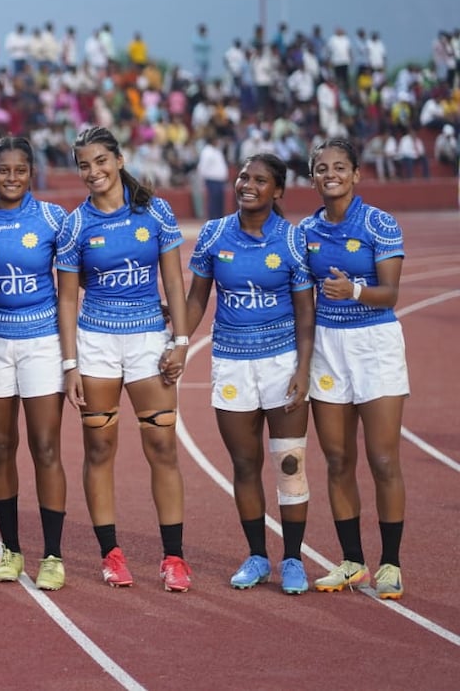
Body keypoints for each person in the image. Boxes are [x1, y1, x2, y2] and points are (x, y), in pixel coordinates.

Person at [56, 126, 193, 592]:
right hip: (96, 344)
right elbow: (67, 299)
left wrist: (181, 340)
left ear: (118, 160)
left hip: (148, 341)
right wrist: (70, 364)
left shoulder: (156, 212)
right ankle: (111, 555)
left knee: (163, 448)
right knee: (99, 449)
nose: (93, 171)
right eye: (84, 165)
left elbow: (173, 282)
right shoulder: (75, 225)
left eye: (100, 161)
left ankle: (173, 557)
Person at [185, 153, 315, 595]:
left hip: (282, 364)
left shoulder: (293, 240)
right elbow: (197, 300)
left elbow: (305, 313)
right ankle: (258, 556)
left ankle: (293, 558)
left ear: (277, 191)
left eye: (260, 180)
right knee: (245, 465)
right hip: (232, 363)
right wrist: (178, 340)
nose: (247, 185)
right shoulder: (213, 233)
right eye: (243, 176)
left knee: (290, 464)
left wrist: (303, 369)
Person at [0, 136, 68, 590]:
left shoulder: (52, 218)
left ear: (31, 173)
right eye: (3, 170)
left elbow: (79, 277)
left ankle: (53, 556)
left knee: (46, 447)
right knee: (0, 447)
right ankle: (12, 549)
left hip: (42, 343)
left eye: (20, 170)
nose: (12, 178)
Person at [300, 139, 408, 600]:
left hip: (374, 343)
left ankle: (390, 563)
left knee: (383, 460)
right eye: (322, 168)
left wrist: (355, 291)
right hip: (328, 347)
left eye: (340, 167)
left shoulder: (379, 223)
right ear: (312, 178)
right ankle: (352, 561)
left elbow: (391, 294)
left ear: (356, 174)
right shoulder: (305, 230)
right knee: (338, 460)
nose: (331, 174)